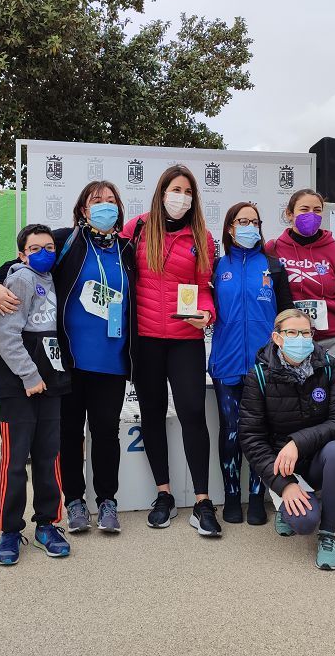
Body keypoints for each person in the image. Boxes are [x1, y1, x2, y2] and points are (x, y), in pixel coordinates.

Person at [0, 181, 136, 536]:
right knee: (69, 434)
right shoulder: (68, 241)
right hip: (68, 361)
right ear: (83, 209)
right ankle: (73, 500)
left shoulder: (128, 250)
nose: (104, 205)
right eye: (95, 200)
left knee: (106, 434)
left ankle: (107, 501)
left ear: (119, 208)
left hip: (112, 361)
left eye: (110, 200)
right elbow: (21, 258)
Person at [121, 165, 221, 537]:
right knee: (151, 413)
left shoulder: (202, 236)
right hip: (145, 339)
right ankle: (162, 493)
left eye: (187, 191)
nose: (181, 196)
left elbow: (205, 287)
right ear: (161, 192)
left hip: (185, 340)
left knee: (193, 413)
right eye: (174, 189)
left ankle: (202, 501)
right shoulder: (137, 228)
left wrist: (207, 313)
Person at [239, 309, 335, 570]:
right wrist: (284, 485)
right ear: (277, 338)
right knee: (303, 523)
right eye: (292, 333)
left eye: (305, 333)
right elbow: (251, 438)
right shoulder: (259, 375)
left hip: (317, 459)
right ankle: (288, 505)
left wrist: (298, 442)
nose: (300, 339)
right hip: (282, 466)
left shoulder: (327, 366)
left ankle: (328, 534)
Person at [0, 224, 72, 565]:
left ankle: (47, 524)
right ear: (22, 253)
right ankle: (10, 530)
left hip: (50, 382)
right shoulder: (20, 279)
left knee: (49, 456)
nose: (44, 253)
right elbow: (7, 336)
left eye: (50, 247)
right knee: (14, 462)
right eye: (35, 248)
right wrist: (29, 375)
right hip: (19, 385)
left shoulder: (54, 278)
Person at [209, 202, 293, 525]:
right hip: (225, 364)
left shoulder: (272, 266)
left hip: (264, 367)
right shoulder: (217, 266)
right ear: (230, 227)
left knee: (260, 432)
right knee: (230, 430)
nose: (248, 226)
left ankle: (256, 497)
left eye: (254, 221)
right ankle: (232, 497)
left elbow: (287, 313)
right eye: (241, 220)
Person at [266, 189, 335, 381]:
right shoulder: (273, 249)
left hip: (332, 343)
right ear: (289, 214)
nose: (311, 215)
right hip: (290, 342)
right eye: (304, 209)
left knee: (334, 404)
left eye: (317, 210)